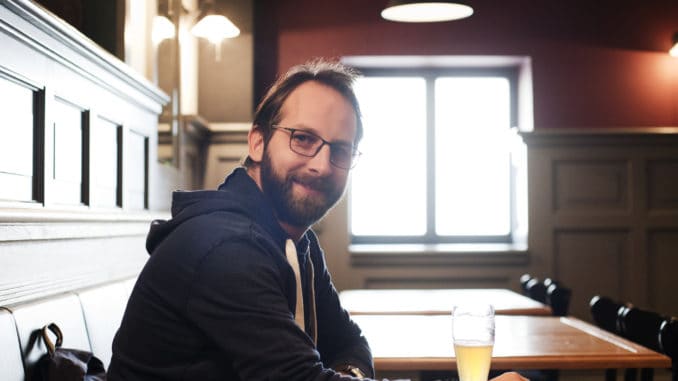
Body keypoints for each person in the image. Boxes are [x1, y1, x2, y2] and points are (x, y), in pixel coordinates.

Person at [108, 59, 528, 381]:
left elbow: (348, 342)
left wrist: (348, 377)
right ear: (257, 141)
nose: (322, 165)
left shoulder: (296, 241)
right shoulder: (224, 248)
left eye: (340, 151)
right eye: (303, 139)